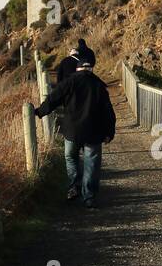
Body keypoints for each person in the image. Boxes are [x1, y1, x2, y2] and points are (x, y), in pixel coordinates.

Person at [34, 55, 115, 208]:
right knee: (91, 163)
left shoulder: (69, 82)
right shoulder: (99, 85)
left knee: (71, 158)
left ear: (77, 69)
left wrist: (39, 112)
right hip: (94, 132)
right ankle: (89, 196)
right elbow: (108, 111)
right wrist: (109, 132)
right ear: (91, 69)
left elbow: (53, 99)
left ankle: (73, 186)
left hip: (71, 131)